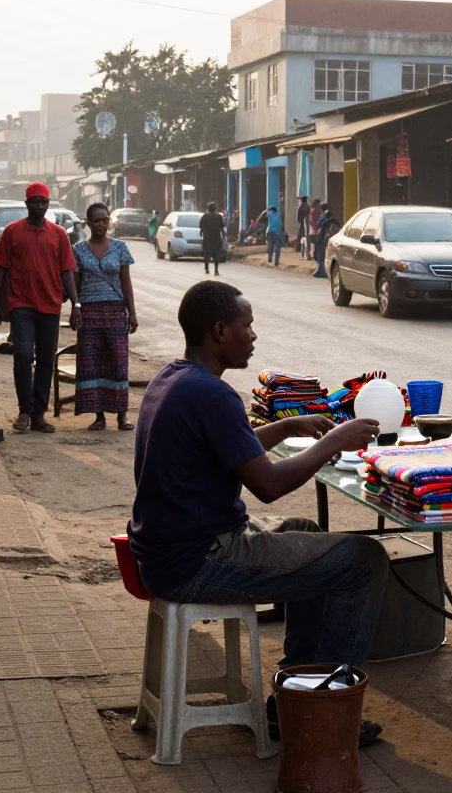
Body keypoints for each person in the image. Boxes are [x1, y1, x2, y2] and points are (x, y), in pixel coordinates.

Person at [129, 280, 388, 743]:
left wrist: (290, 425)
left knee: (307, 532)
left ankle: (293, 694)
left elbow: (231, 447)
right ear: (220, 331)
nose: (254, 335)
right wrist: (334, 440)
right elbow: (268, 486)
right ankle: (322, 712)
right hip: (199, 559)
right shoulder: (212, 394)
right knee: (364, 560)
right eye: (248, 326)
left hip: (166, 551)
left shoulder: (175, 377)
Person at [0, 182, 81, 434]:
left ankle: (38, 414)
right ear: (27, 203)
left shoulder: (59, 233)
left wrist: (76, 304)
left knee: (45, 361)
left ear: (48, 204)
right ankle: (24, 410)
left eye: (44, 202)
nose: (40, 206)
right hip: (21, 304)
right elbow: (1, 269)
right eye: (35, 202)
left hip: (50, 306)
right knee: (21, 354)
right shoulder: (12, 232)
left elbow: (67, 271)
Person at [72, 203, 138, 432]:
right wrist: (75, 307)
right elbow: (76, 284)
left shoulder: (120, 248)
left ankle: (122, 415)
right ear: (88, 223)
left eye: (105, 219)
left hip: (115, 311)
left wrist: (132, 313)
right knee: (92, 363)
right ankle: (99, 416)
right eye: (96, 220)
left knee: (118, 362)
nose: (101, 224)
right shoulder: (78, 249)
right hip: (89, 313)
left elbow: (126, 282)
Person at [312, 203, 339, 278]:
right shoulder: (335, 221)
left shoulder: (322, 221)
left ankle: (321, 271)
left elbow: (319, 231)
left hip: (323, 240)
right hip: (332, 241)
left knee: (321, 256)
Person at [199, 203, 225, 275]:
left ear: (208, 208)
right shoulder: (218, 216)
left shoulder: (205, 216)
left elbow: (201, 226)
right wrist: (224, 235)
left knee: (207, 254)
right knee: (216, 254)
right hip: (216, 238)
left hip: (207, 238)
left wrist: (201, 232)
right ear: (215, 208)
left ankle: (206, 269)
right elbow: (222, 228)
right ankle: (216, 270)